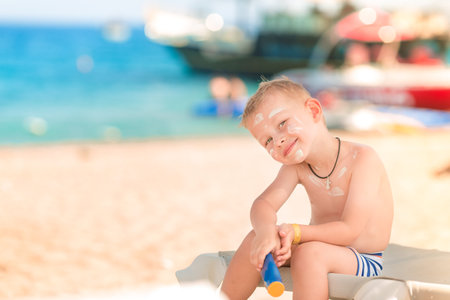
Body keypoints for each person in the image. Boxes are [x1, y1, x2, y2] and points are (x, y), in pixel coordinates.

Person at [220, 78, 394, 300]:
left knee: (308, 254)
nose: (278, 141)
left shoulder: (362, 159)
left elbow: (350, 229)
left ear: (313, 111)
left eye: (282, 123)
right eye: (268, 141)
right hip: (318, 248)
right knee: (255, 239)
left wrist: (296, 232)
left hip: (364, 258)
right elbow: (263, 204)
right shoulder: (296, 168)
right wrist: (266, 235)